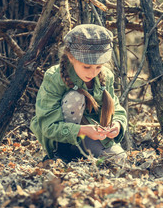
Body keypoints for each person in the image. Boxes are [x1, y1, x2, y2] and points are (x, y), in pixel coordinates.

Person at [30, 24, 127, 163]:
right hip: (62, 137)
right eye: (86, 67)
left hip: (92, 135)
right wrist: (82, 130)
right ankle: (62, 154)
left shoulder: (107, 76)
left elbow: (116, 108)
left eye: (98, 66)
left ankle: (80, 154)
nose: (93, 73)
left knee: (119, 159)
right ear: (71, 57)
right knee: (75, 98)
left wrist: (117, 124)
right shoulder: (54, 77)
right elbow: (48, 126)